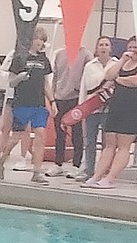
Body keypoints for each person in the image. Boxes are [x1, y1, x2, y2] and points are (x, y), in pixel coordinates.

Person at [83, 36, 137, 190]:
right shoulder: (122, 63)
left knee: (124, 145)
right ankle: (97, 176)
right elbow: (109, 76)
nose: (132, 51)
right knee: (109, 144)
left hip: (135, 109)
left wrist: (118, 80)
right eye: (130, 47)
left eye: (136, 48)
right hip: (117, 106)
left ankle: (110, 178)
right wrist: (122, 62)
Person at [0, 27, 55, 184]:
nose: (40, 43)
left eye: (43, 40)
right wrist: (20, 77)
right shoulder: (19, 58)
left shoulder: (44, 60)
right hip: (22, 103)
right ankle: (2, 158)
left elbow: (46, 83)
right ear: (30, 40)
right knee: (17, 137)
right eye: (38, 39)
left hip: (39, 104)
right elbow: (12, 82)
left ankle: (37, 171)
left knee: (41, 135)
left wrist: (52, 101)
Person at [0, 50, 34, 171]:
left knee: (25, 129)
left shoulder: (37, 57)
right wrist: (12, 76)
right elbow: (3, 71)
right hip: (11, 95)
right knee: (4, 128)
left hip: (28, 96)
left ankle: (22, 159)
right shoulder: (14, 53)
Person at [76, 36, 118, 183]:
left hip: (110, 109)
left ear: (111, 48)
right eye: (101, 44)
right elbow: (83, 88)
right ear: (96, 48)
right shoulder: (90, 66)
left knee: (109, 143)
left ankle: (105, 171)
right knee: (90, 141)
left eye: (106, 44)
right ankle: (88, 170)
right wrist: (81, 109)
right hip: (92, 109)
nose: (104, 47)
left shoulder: (117, 64)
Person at [47, 43, 92, 177]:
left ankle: (76, 164)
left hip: (76, 98)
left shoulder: (86, 54)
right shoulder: (59, 54)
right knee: (59, 133)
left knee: (77, 133)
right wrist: (52, 99)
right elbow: (55, 78)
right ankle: (58, 163)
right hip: (60, 98)